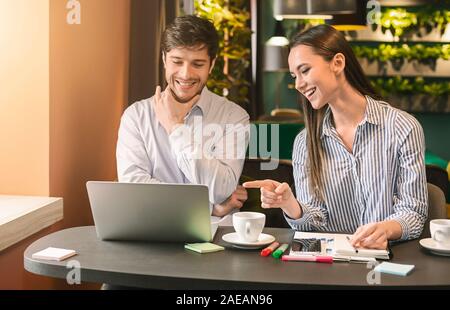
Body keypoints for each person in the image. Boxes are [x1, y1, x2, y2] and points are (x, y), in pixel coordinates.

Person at [244, 24, 428, 250]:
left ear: (338, 63)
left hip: (386, 263)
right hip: (328, 266)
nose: (298, 84)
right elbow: (315, 221)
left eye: (305, 70)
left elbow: (414, 213)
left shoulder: (403, 127)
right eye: (294, 75)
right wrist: (291, 205)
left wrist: (386, 228)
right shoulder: (305, 142)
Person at [116, 15, 249, 217]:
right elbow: (135, 192)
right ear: (164, 59)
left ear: (211, 65)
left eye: (197, 64)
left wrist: (175, 128)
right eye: (177, 61)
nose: (186, 74)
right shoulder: (135, 117)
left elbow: (220, 189)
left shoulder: (234, 117)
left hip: (216, 241)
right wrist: (210, 208)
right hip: (152, 233)